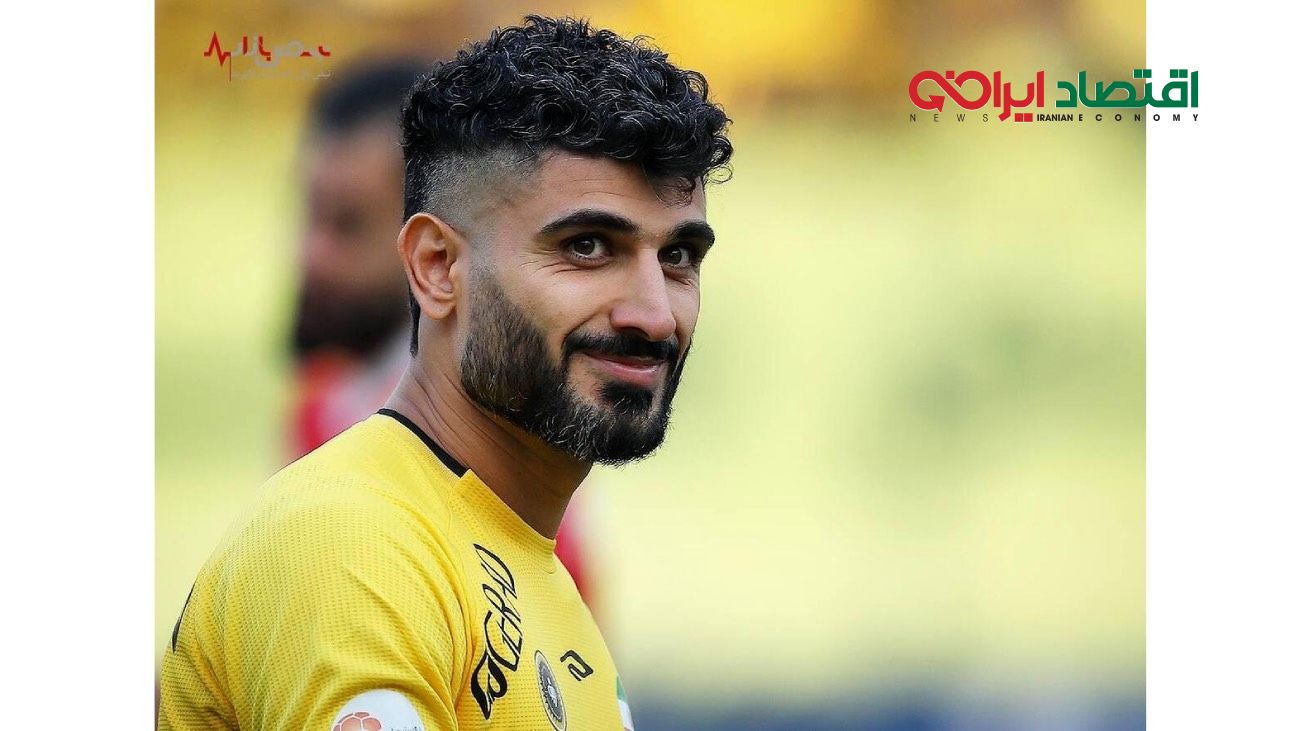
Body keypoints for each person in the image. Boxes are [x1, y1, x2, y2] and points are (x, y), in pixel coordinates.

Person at [159, 15, 732, 730]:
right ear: (436, 267)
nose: (654, 314)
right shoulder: (356, 542)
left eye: (678, 257)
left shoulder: (546, 591)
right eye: (586, 246)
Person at [287, 56, 600, 605]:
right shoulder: (325, 398)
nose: (312, 256)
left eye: (348, 224)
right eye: (311, 216)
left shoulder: (497, 446)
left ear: (433, 252)